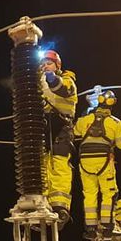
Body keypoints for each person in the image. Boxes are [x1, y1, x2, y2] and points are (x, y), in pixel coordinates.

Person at [74, 90, 121, 238]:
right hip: (104, 161)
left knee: (90, 194)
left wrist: (87, 115)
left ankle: (90, 228)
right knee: (109, 193)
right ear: (112, 104)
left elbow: (76, 131)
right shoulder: (115, 122)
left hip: (85, 162)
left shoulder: (85, 119)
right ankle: (107, 227)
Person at [40, 50, 77, 228]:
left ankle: (60, 207)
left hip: (62, 127)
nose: (46, 65)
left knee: (59, 166)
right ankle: (43, 205)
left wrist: (50, 77)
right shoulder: (40, 82)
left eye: (49, 62)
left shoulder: (67, 80)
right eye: (44, 63)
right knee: (43, 167)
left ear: (57, 65)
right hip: (45, 128)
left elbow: (62, 88)